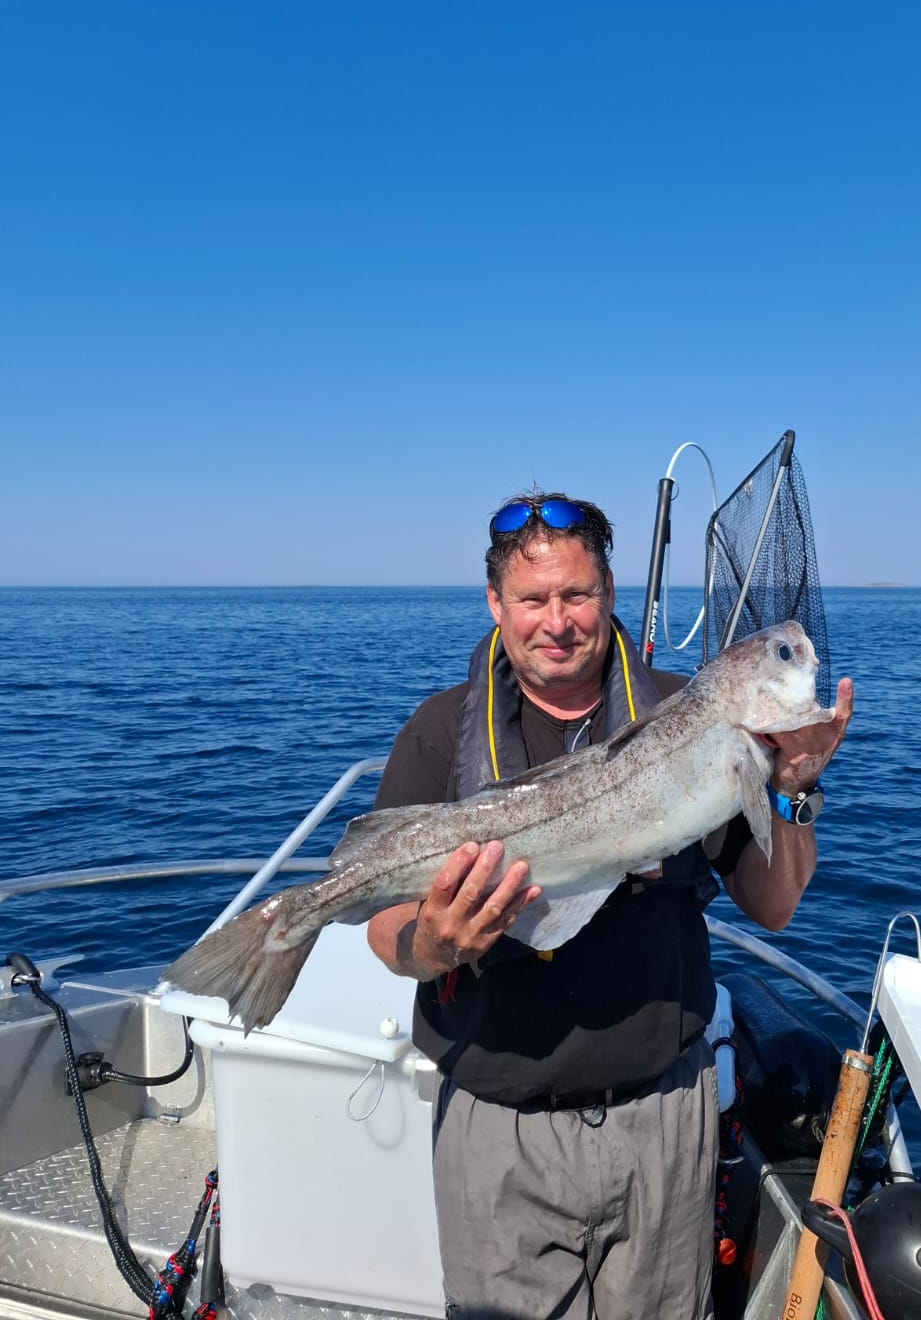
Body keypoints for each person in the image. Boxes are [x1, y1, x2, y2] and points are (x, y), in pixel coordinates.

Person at [367, 493, 852, 1320]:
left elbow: (773, 907)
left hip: (663, 1119)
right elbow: (386, 933)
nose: (557, 621)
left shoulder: (688, 714)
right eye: (532, 599)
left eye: (577, 594)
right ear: (496, 605)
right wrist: (437, 944)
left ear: (610, 592)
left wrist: (798, 788)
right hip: (498, 1130)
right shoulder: (440, 730)